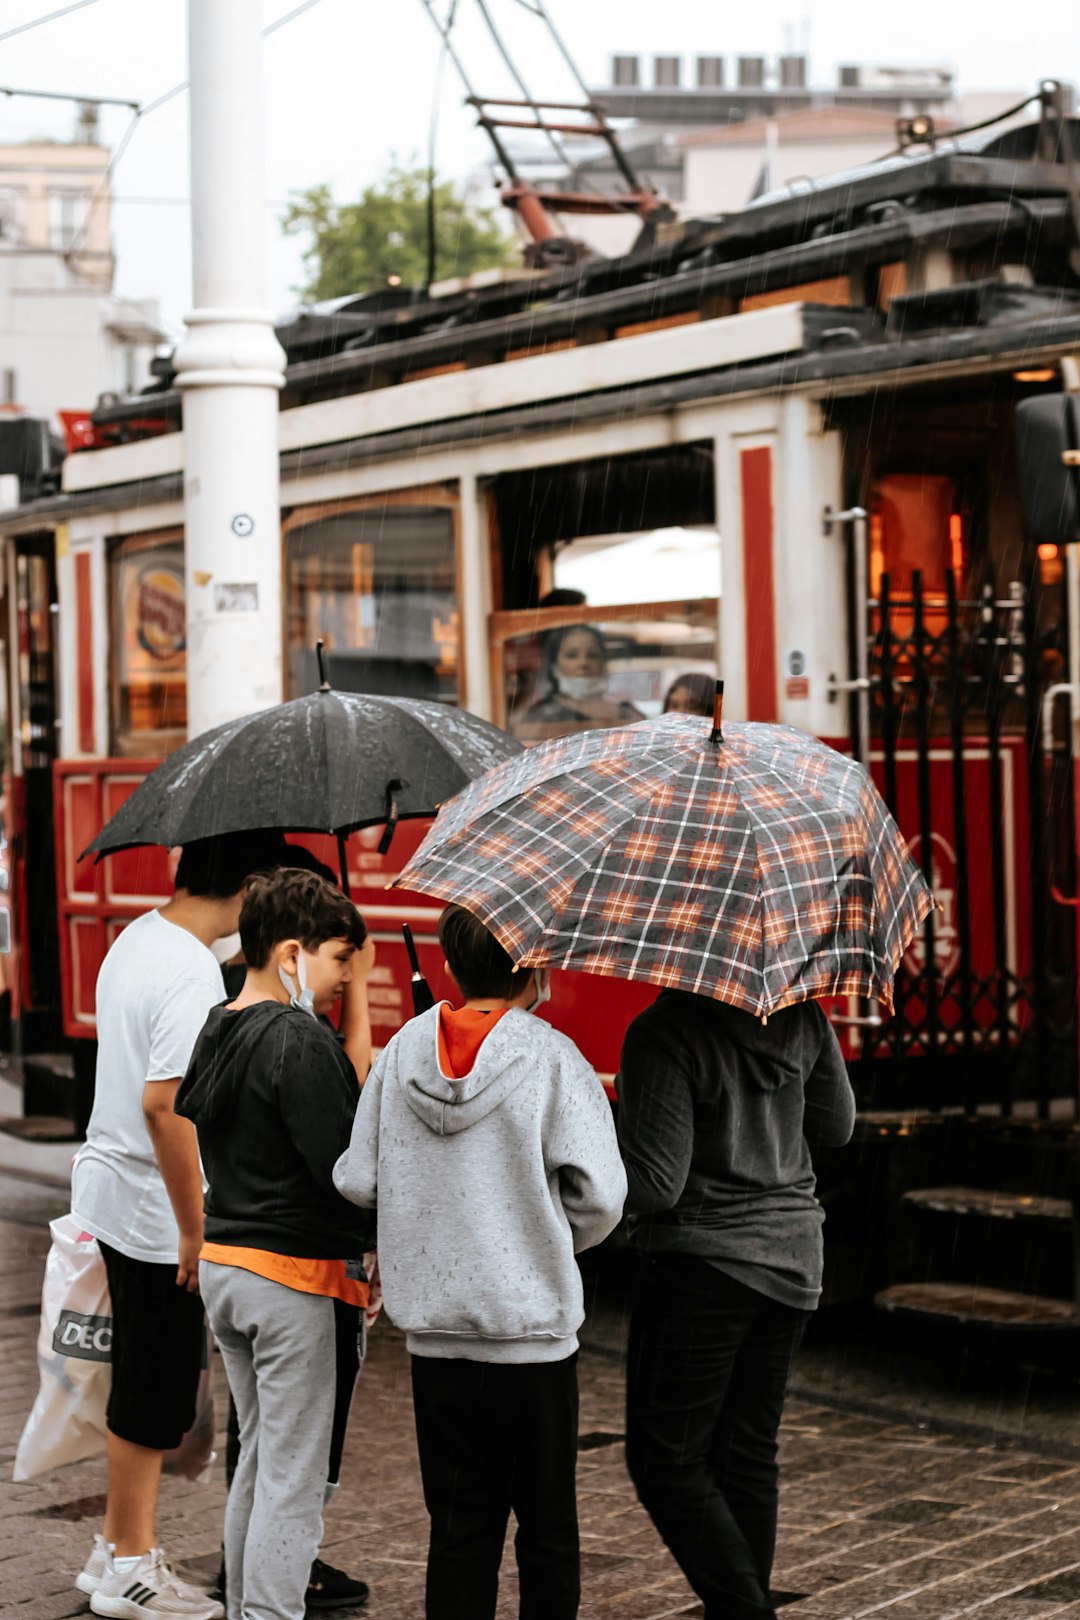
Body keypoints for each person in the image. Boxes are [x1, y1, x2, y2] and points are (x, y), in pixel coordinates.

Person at [333, 904, 627, 1620]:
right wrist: (543, 1239)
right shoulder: (552, 1056)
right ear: (532, 966)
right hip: (532, 1344)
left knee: (460, 1532)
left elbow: (358, 1180)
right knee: (547, 1532)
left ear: (452, 965)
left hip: (438, 1345)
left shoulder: (403, 1050)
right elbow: (604, 1196)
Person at [71, 830, 284, 1620]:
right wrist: (196, 1231)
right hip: (157, 1210)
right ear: (251, 886)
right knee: (154, 1391)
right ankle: (131, 1569)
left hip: (119, 1194)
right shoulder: (190, 972)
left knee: (143, 1382)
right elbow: (168, 1108)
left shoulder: (139, 936)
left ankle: (115, 1547)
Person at [616, 992, 856, 1620]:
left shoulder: (663, 1033)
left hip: (702, 1265)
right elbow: (837, 1124)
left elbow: (655, 1184)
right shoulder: (802, 1015)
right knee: (746, 1453)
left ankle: (746, 1611)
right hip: (794, 1255)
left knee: (664, 1460)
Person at [175, 869, 375, 1620]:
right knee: (292, 1478)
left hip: (230, 1268)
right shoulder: (299, 1040)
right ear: (292, 952)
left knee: (258, 1465)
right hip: (297, 1280)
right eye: (337, 960)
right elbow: (349, 1173)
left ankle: (245, 1609)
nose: (344, 978)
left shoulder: (221, 1024)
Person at [514, 624, 644, 741]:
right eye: (572, 655)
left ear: (603, 661)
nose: (583, 663)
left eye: (592, 654)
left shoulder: (629, 714)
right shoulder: (540, 718)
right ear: (554, 666)